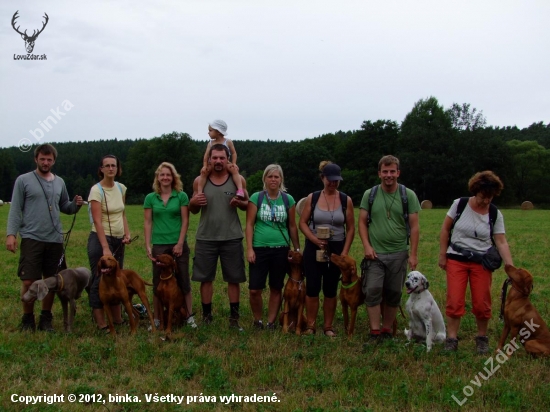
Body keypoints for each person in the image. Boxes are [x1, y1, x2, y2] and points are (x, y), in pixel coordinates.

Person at [6, 143, 83, 332]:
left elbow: (65, 206)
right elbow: (15, 209)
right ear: (36, 159)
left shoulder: (60, 182)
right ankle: (27, 319)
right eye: (42, 159)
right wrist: (11, 234)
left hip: (55, 239)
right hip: (32, 237)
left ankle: (45, 319)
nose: (46, 162)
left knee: (51, 281)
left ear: (54, 161)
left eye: (49, 159)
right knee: (28, 281)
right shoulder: (23, 180)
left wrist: (76, 204)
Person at [438, 171, 513, 354]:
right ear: (475, 191)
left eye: (490, 197)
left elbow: (501, 241)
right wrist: (442, 254)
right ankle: (452, 339)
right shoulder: (460, 204)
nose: (486, 201)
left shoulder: (495, 213)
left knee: (482, 303)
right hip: (456, 258)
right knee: (455, 301)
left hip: (482, 262)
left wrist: (510, 266)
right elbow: (445, 229)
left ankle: (482, 338)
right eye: (483, 196)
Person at [358, 155, 420, 343]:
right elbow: (361, 222)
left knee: (394, 293)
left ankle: (386, 331)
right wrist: (367, 246)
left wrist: (413, 254)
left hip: (399, 252)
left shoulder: (408, 195)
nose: (389, 175)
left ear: (398, 173)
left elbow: (415, 226)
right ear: (379, 174)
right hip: (375, 254)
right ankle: (374, 332)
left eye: (392, 171)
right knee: (372, 290)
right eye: (385, 171)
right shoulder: (370, 194)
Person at [189, 143, 249, 330]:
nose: (218, 161)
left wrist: (239, 203)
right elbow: (193, 210)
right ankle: (207, 317)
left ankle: (234, 319)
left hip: (231, 236)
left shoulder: (237, 179)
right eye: (214, 158)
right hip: (206, 237)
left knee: (234, 278)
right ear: (209, 160)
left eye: (222, 158)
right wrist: (194, 201)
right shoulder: (200, 180)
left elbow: (247, 204)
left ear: (228, 159)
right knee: (205, 279)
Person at [299, 161, 355, 337]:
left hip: (336, 248)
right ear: (322, 178)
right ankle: (311, 325)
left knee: (330, 289)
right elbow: (302, 223)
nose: (333, 183)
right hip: (314, 247)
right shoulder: (313, 198)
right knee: (313, 287)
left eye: (336, 180)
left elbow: (351, 228)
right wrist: (314, 239)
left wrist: (344, 252)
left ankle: (328, 326)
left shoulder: (346, 200)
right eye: (330, 180)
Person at [246, 164, 300, 330]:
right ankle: (258, 320)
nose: (273, 179)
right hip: (259, 248)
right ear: (265, 179)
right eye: (270, 176)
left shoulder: (287, 199)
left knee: (276, 287)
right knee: (255, 289)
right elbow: (249, 224)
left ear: (281, 179)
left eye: (276, 177)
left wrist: (297, 249)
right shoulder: (256, 197)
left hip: (281, 249)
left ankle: (270, 322)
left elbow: (292, 226)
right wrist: (249, 248)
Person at [144, 162, 197, 330]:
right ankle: (158, 319)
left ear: (173, 178)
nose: (165, 178)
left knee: (183, 281)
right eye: (162, 175)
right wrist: (147, 244)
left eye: (168, 175)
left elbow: (185, 220)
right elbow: (147, 222)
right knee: (158, 283)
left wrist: (180, 243)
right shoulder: (150, 198)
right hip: (159, 244)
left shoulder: (181, 196)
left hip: (177, 243)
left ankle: (188, 316)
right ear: (157, 178)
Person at [87, 154, 132, 332]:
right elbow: (97, 221)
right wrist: (105, 246)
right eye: (107, 166)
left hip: (118, 240)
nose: (111, 168)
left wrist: (127, 233)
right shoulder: (96, 190)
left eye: (114, 165)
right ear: (101, 169)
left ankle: (118, 319)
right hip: (100, 240)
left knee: (116, 279)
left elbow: (122, 213)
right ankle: (101, 324)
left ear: (118, 168)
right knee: (100, 280)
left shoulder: (121, 188)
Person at [197, 120, 244, 199]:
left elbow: (233, 153)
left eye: (210, 130)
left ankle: (240, 189)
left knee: (235, 172)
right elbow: (206, 156)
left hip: (226, 163)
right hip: (211, 164)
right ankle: (199, 192)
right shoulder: (211, 143)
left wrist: (234, 163)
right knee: (203, 174)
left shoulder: (228, 141)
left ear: (218, 131)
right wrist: (205, 166)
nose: (208, 132)